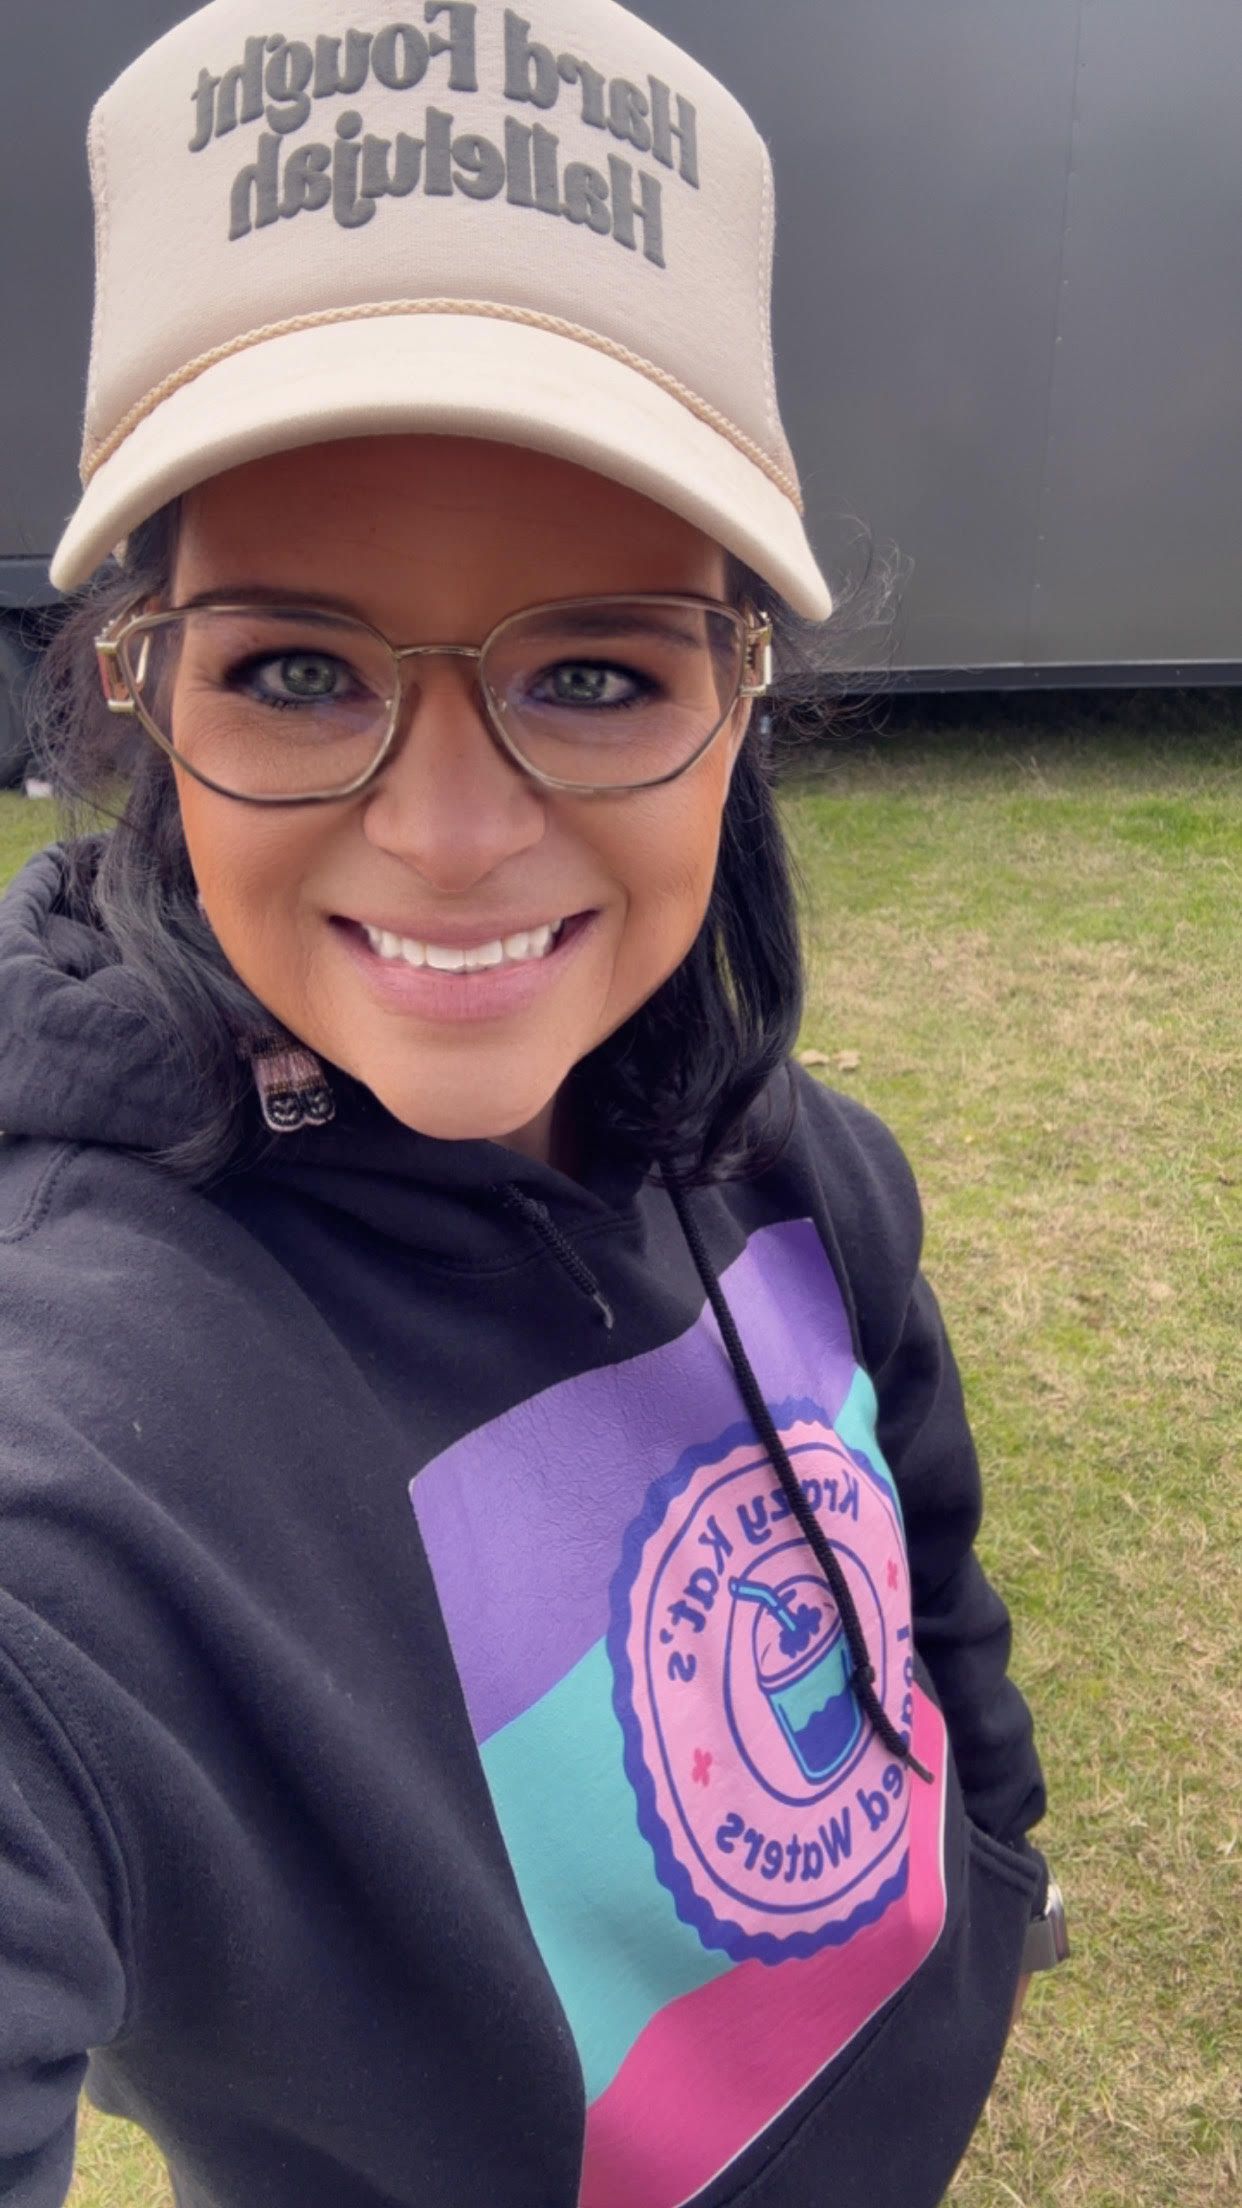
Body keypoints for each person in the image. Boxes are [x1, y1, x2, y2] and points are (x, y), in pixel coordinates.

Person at [0, 3, 1066, 2204]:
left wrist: (995, 1867)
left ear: (743, 706)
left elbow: (927, 1582)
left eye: (596, 670)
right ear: (138, 702)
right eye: (297, 669)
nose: (458, 832)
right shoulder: (69, 1480)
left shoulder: (804, 1170)